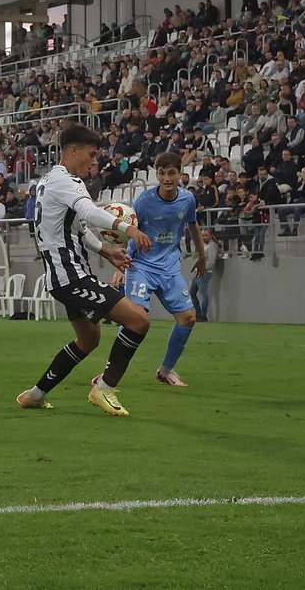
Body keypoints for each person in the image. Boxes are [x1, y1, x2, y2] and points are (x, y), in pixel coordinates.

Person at [16, 123, 155, 417]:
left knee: (89, 339)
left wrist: (107, 251)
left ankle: (35, 395)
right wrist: (128, 228)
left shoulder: (48, 181)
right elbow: (90, 213)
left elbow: (78, 227)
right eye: (91, 155)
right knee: (139, 320)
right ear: (74, 150)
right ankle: (104, 388)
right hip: (70, 277)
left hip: (65, 276)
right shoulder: (67, 181)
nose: (94, 162)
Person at [116, 152, 209, 387]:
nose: (166, 178)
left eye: (171, 173)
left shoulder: (188, 199)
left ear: (180, 174)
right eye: (162, 173)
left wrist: (202, 255)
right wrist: (121, 263)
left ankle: (166, 371)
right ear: (156, 175)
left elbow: (193, 226)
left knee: (188, 318)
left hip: (169, 268)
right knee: (134, 319)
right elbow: (127, 229)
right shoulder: (144, 201)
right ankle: (110, 373)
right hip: (141, 266)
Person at [190, 228, 218, 322]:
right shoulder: (204, 245)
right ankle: (199, 314)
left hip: (204, 272)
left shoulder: (212, 246)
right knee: (192, 293)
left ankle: (202, 314)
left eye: (206, 235)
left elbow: (211, 261)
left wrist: (203, 268)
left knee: (203, 294)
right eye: (202, 236)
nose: (204, 237)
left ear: (210, 236)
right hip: (198, 272)